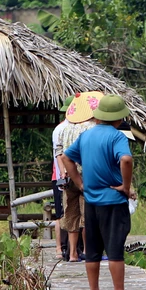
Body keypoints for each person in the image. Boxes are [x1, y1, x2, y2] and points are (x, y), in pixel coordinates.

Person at [60, 94, 146, 290]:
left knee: (94, 249)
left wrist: (80, 183)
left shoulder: (86, 136)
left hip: (91, 201)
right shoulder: (117, 137)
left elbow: (66, 157)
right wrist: (126, 187)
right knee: (115, 247)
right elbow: (125, 159)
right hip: (113, 202)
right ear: (118, 118)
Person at [57, 102, 97, 262]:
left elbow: (59, 152)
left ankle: (72, 253)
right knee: (86, 214)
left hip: (68, 175)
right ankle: (87, 250)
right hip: (85, 175)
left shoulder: (64, 128)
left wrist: (63, 171)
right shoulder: (91, 128)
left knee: (71, 212)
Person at [51, 96, 73, 259]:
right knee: (70, 213)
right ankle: (68, 248)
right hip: (66, 175)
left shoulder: (58, 129)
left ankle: (60, 248)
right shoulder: (68, 129)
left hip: (58, 176)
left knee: (61, 213)